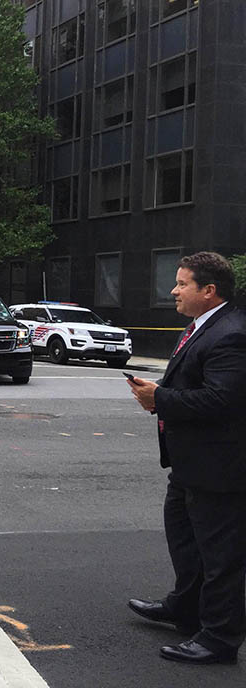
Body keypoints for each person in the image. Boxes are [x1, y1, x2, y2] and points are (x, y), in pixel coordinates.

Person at [127, 251, 246, 666]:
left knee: (221, 556)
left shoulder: (231, 333)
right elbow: (199, 381)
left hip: (221, 469)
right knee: (185, 540)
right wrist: (160, 391)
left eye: (182, 284)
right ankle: (185, 607)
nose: (173, 291)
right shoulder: (203, 327)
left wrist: (160, 398)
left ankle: (219, 638)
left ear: (209, 291)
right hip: (191, 465)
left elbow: (224, 400)